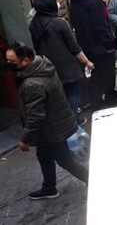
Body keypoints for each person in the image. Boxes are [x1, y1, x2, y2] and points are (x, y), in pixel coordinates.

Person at [6, 43, 88, 200]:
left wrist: (25, 139)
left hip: (51, 129)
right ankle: (49, 187)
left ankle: (93, 179)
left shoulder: (32, 84)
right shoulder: (43, 65)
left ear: (26, 61)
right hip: (54, 125)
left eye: (12, 62)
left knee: (65, 160)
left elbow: (35, 115)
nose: (9, 65)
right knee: (44, 156)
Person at [70, 0, 117, 107]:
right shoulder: (93, 2)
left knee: (98, 73)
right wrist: (109, 44)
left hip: (87, 43)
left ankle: (98, 98)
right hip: (99, 45)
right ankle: (105, 97)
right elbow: (100, 25)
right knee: (106, 72)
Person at [28, 0, 93, 118]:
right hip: (68, 67)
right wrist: (86, 62)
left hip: (48, 68)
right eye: (56, 0)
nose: (58, 3)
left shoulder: (34, 24)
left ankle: (69, 121)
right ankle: (72, 122)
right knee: (73, 95)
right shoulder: (59, 23)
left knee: (61, 97)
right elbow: (74, 47)